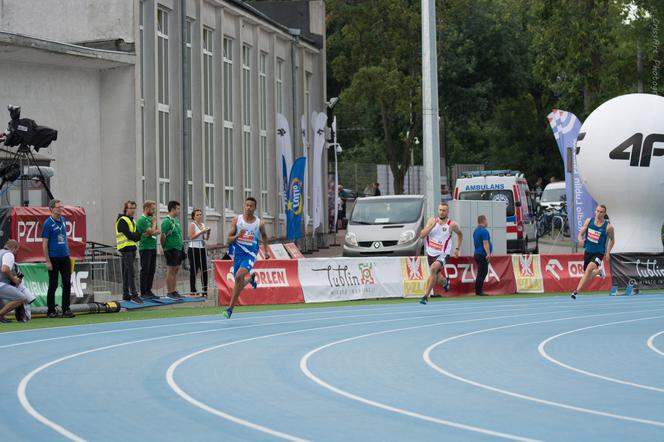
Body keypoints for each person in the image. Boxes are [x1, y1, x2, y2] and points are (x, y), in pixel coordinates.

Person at [223, 197, 270, 319]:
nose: (249, 208)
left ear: (255, 208)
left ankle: (230, 309)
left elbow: (264, 236)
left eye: (251, 206)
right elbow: (228, 240)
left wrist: (266, 251)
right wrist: (237, 236)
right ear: (244, 206)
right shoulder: (237, 220)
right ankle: (250, 280)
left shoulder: (259, 223)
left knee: (239, 276)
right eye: (247, 205)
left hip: (250, 254)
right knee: (238, 282)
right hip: (237, 254)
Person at [419, 202, 463, 304]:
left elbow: (460, 235)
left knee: (433, 268)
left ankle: (425, 296)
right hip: (430, 253)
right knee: (437, 277)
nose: (442, 212)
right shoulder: (431, 221)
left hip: (443, 254)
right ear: (438, 210)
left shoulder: (451, 225)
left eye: (444, 210)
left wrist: (457, 248)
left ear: (447, 212)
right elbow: (422, 235)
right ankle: (445, 282)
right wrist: (432, 225)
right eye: (440, 210)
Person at [571, 204, 614, 299]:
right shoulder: (588, 221)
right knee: (587, 273)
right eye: (597, 211)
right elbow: (580, 234)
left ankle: (576, 291)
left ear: (604, 214)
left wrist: (608, 252)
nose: (598, 213)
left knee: (590, 268)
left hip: (599, 253)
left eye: (601, 212)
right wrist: (580, 240)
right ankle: (599, 271)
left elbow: (612, 240)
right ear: (595, 211)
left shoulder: (608, 227)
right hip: (588, 251)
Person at [41, 199, 74, 318]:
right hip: (53, 258)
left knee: (67, 283)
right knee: (53, 284)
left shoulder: (63, 220)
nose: (61, 209)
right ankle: (50, 310)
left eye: (61, 206)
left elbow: (64, 238)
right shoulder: (47, 224)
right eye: (58, 207)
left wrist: (68, 254)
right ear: (52, 209)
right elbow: (44, 243)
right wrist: (47, 260)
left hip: (64, 257)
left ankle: (66, 309)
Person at [0, 240, 36, 323]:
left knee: (2, 305)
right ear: (14, 248)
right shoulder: (9, 254)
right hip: (1, 284)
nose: (16, 253)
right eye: (17, 250)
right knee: (21, 298)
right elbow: (4, 269)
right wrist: (14, 279)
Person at [116, 201, 143, 304]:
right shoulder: (122, 220)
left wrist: (135, 235)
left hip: (132, 248)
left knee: (127, 272)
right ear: (126, 209)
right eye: (131, 208)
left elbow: (138, 235)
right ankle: (134, 295)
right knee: (131, 272)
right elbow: (130, 235)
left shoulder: (133, 221)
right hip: (125, 248)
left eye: (134, 208)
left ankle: (126, 294)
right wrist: (135, 235)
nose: (133, 210)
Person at [137, 200, 160, 300]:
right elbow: (151, 231)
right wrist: (153, 225)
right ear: (146, 209)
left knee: (152, 270)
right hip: (145, 247)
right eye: (152, 209)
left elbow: (158, 231)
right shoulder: (142, 220)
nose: (154, 211)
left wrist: (152, 231)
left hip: (153, 247)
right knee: (145, 270)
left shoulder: (150, 219)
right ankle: (143, 291)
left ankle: (149, 290)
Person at [161, 201, 184, 299]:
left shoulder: (175, 220)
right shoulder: (167, 221)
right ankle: (169, 292)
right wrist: (164, 248)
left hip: (178, 248)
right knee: (171, 270)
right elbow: (163, 236)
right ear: (173, 209)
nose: (179, 211)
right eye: (178, 208)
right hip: (170, 248)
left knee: (176, 270)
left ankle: (174, 290)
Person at [187, 208, 211, 295]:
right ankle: (193, 290)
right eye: (197, 215)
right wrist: (201, 232)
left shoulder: (202, 224)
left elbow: (205, 238)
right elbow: (191, 237)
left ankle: (205, 290)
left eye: (200, 214)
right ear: (193, 217)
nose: (199, 216)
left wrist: (208, 233)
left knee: (204, 269)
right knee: (194, 270)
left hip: (202, 248)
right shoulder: (192, 225)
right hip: (193, 249)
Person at [473, 215, 492, 296]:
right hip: (482, 254)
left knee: (481, 272)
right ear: (484, 221)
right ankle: (478, 291)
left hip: (477, 253)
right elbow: (485, 243)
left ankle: (478, 290)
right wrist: (488, 254)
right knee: (482, 273)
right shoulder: (484, 231)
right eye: (486, 220)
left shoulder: (475, 231)